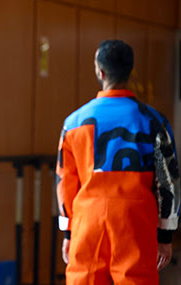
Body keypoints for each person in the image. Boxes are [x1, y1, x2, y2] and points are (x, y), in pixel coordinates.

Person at [56, 39, 180, 284]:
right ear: (130, 71)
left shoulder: (73, 123)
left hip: (87, 222)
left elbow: (65, 182)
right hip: (136, 223)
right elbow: (168, 182)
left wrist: (69, 232)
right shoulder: (155, 121)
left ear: (99, 72)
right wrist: (166, 235)